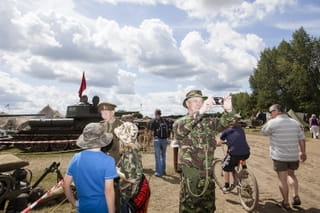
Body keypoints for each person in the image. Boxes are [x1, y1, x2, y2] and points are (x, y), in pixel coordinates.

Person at [172, 89, 227, 213]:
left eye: (201, 101)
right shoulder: (180, 122)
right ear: (187, 104)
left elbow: (228, 123)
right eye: (195, 101)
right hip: (192, 177)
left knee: (208, 208)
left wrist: (228, 110)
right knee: (190, 208)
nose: (199, 103)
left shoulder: (208, 122)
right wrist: (201, 111)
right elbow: (181, 131)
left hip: (208, 175)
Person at [63, 122, 118, 213]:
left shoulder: (76, 158)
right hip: (102, 208)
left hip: (83, 208)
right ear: (103, 139)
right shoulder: (108, 161)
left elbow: (65, 184)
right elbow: (109, 191)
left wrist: (74, 203)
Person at [261, 104, 307, 211]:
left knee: (282, 180)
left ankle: (286, 203)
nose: (270, 114)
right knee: (291, 175)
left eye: (270, 112)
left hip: (279, 156)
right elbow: (302, 138)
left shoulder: (272, 122)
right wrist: (303, 152)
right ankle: (295, 195)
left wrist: (268, 120)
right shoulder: (295, 123)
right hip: (293, 155)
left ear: (276, 111)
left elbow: (263, 132)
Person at [114, 121, 149, 213]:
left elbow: (131, 179)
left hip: (130, 194)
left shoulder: (129, 154)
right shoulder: (133, 150)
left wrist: (117, 172)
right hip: (135, 191)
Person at [98, 102, 123, 213]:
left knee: (117, 191)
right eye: (102, 113)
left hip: (117, 162)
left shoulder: (122, 126)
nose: (103, 115)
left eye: (106, 112)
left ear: (113, 112)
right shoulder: (100, 126)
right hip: (102, 163)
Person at [218, 112, 250, 192]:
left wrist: (217, 144)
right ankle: (244, 169)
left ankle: (226, 186)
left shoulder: (226, 131)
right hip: (246, 153)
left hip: (234, 154)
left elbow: (219, 142)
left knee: (225, 167)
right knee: (241, 156)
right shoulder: (241, 130)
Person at [148, 109, 171, 177]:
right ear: (161, 113)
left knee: (157, 156)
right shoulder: (165, 120)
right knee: (163, 155)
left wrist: (149, 141)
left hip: (157, 139)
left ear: (155, 113)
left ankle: (158, 172)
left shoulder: (153, 120)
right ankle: (163, 170)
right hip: (165, 140)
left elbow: (150, 132)